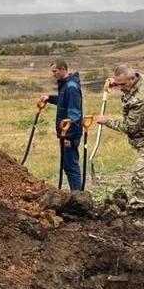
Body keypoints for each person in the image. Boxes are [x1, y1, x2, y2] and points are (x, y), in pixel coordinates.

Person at [95, 64, 144, 225]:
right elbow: (125, 81)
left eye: (123, 84)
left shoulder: (142, 97)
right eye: (118, 84)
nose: (120, 88)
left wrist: (107, 121)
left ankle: (139, 215)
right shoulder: (137, 79)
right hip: (143, 138)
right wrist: (117, 82)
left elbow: (130, 127)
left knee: (139, 173)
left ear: (132, 79)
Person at [38, 58, 83, 191]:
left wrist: (68, 136)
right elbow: (63, 102)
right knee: (67, 165)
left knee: (71, 165)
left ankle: (77, 196)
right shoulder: (65, 85)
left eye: (55, 71)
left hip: (69, 133)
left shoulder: (71, 87)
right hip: (65, 132)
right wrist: (50, 98)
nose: (53, 74)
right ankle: (74, 193)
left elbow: (74, 113)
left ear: (63, 69)